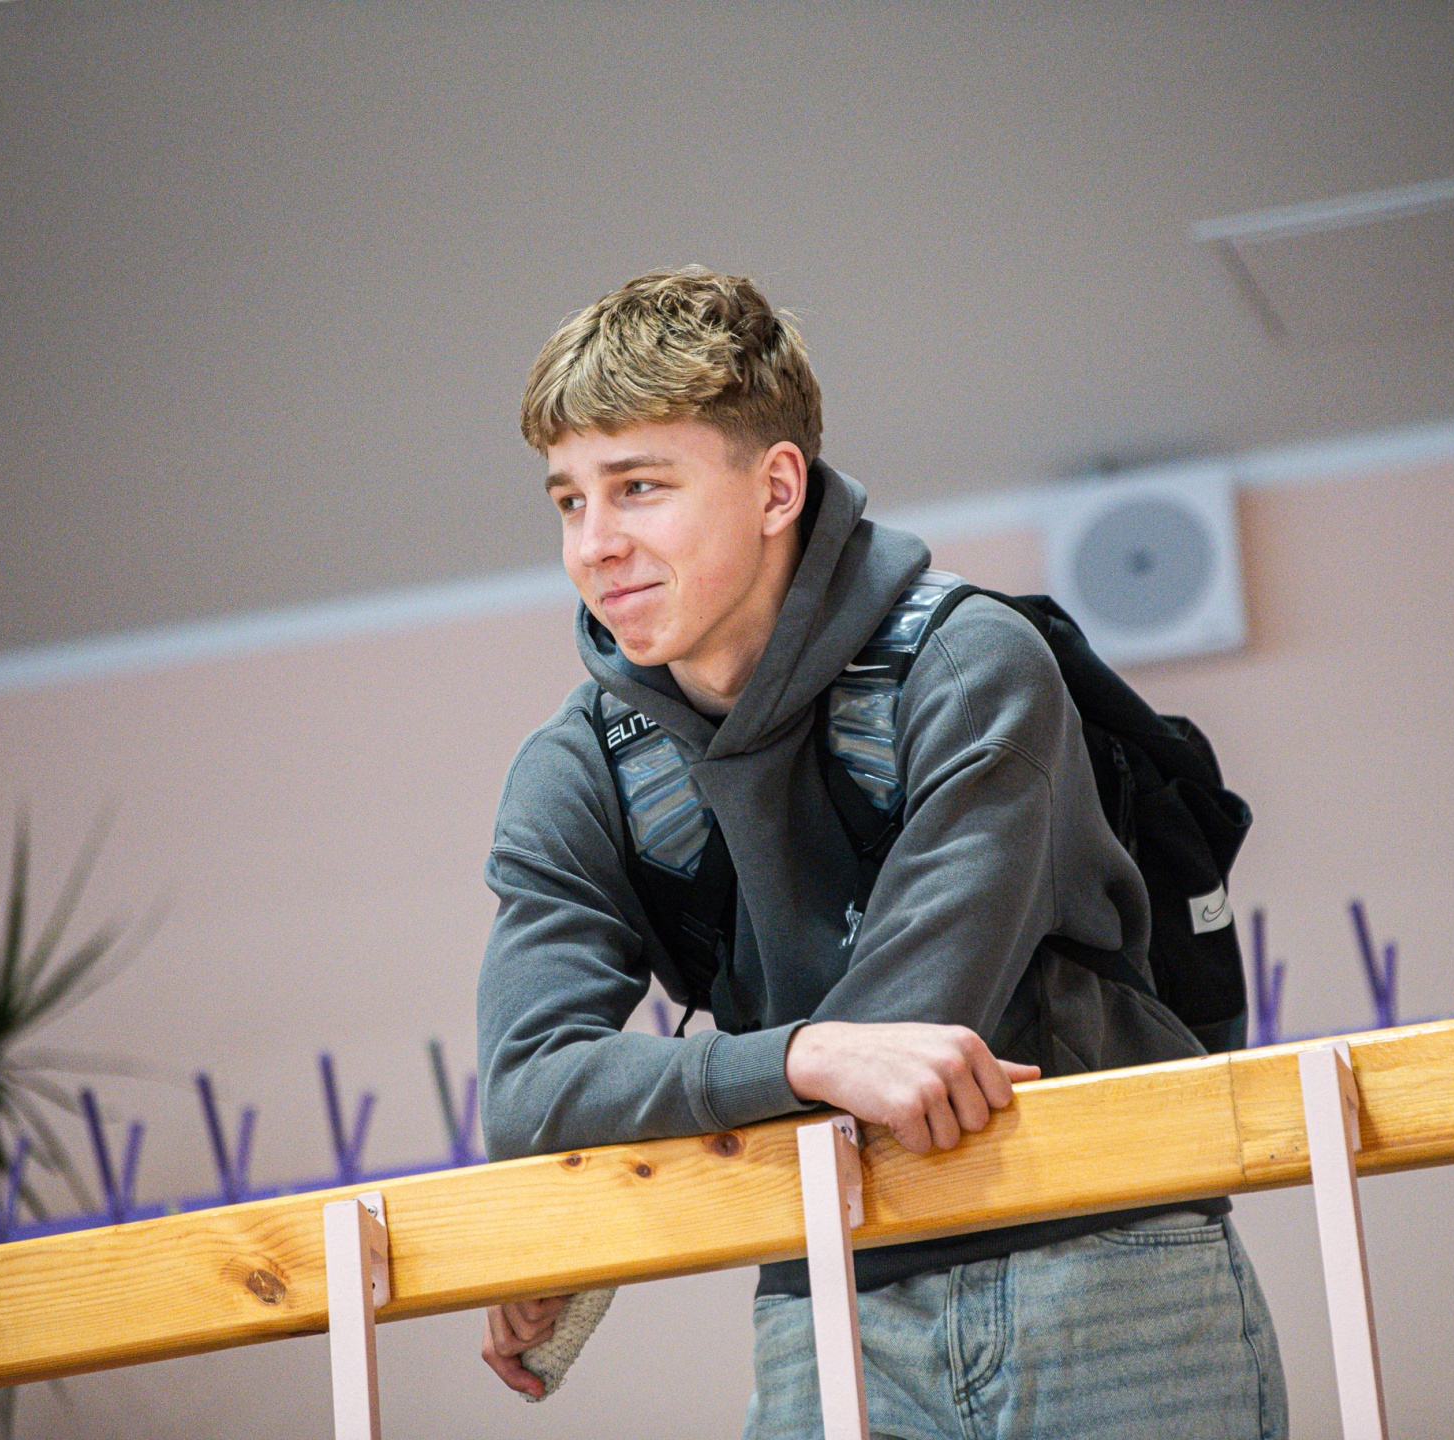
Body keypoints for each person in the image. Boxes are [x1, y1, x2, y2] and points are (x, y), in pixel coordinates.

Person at [475, 266, 1287, 1438]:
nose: (595, 545)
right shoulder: (575, 768)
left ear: (777, 487)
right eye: (568, 501)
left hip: (1104, 1263)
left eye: (639, 488)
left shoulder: (971, 664)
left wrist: (619, 1182)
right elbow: (527, 1096)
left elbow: (906, 1053)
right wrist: (802, 1058)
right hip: (823, 1284)